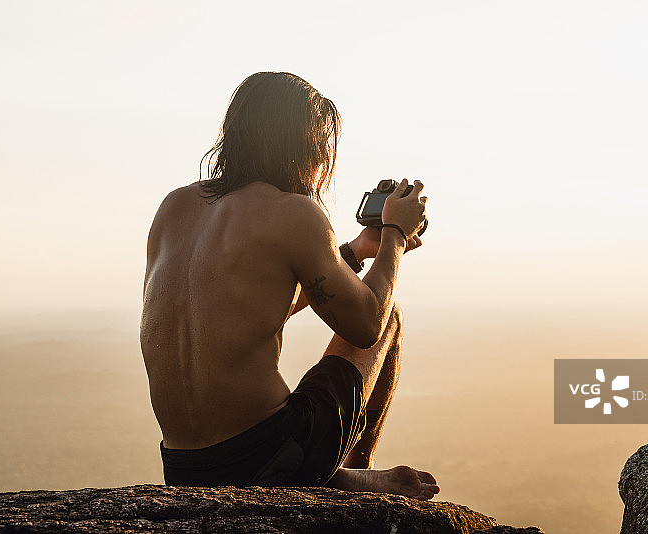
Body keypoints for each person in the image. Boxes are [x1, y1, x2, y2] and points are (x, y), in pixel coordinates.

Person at [140, 72, 438, 500]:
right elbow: (367, 324)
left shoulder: (174, 207)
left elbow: (252, 307)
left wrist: (356, 251)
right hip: (270, 454)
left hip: (183, 466)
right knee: (390, 315)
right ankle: (355, 470)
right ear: (306, 147)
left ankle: (331, 473)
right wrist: (395, 234)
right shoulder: (295, 212)